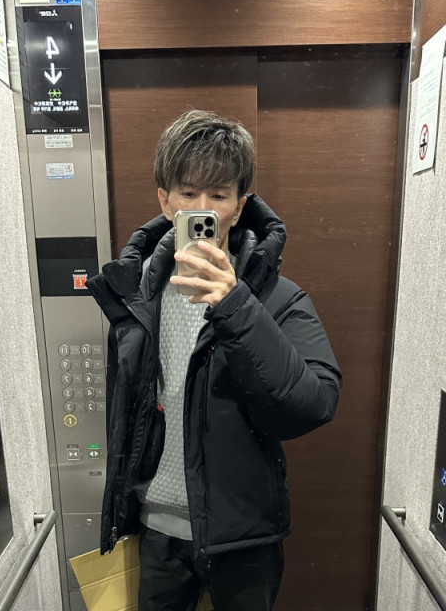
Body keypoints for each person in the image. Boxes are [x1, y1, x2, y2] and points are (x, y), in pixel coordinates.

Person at [86, 109, 342, 611]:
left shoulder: (277, 299)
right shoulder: (135, 297)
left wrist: (235, 305)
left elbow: (313, 405)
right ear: (164, 201)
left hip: (243, 538)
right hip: (157, 531)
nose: (202, 210)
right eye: (187, 193)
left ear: (240, 207)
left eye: (219, 196)